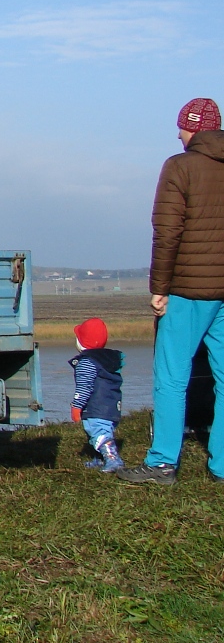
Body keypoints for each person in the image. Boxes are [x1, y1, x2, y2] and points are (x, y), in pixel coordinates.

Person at [117, 98, 224, 485]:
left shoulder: (179, 166)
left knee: (171, 377)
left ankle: (162, 462)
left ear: (192, 128)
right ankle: (222, 465)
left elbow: (167, 232)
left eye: (181, 127)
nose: (178, 134)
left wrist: (159, 288)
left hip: (187, 290)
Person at [70, 317, 125, 472]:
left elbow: (84, 387)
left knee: (99, 433)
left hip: (97, 406)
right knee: (101, 431)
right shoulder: (107, 360)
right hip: (112, 405)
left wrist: (76, 406)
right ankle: (100, 459)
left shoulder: (86, 362)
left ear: (81, 342)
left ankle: (113, 460)